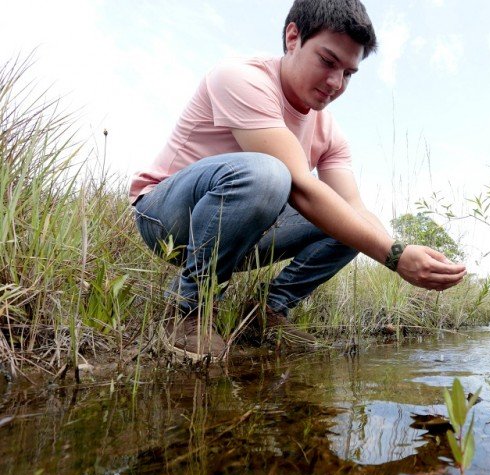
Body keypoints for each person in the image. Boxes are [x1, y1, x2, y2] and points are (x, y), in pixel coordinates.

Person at [129, 0, 466, 361]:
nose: (336, 83)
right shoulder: (239, 77)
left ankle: (268, 309)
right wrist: (395, 257)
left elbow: (354, 208)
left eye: (349, 73)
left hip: (242, 231)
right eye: (327, 61)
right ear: (293, 37)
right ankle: (188, 310)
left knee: (354, 227)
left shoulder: (330, 132)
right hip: (165, 218)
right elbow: (300, 187)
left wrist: (399, 251)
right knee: (271, 174)